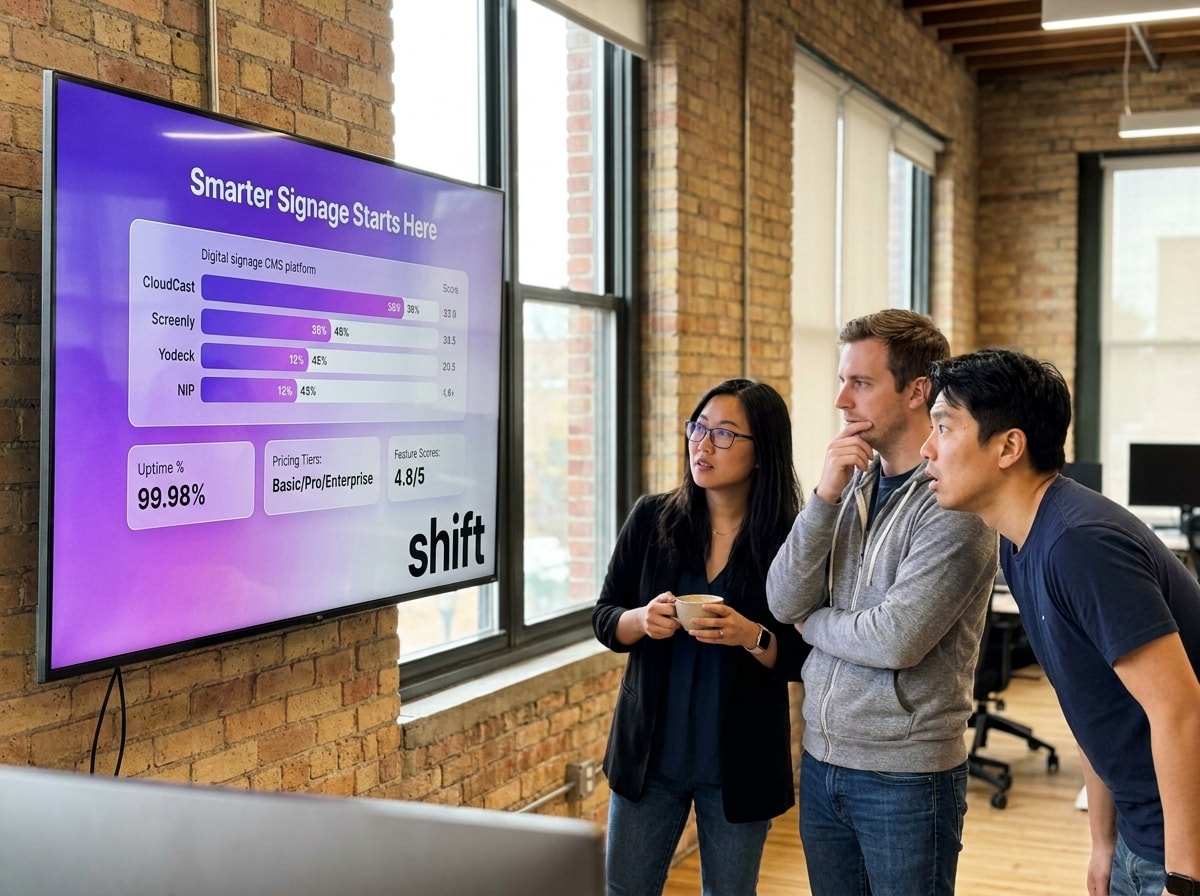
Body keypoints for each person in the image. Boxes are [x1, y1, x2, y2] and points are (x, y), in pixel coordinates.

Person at [921, 348, 1200, 896]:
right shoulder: (1021, 541)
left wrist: (1184, 878)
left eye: (944, 427)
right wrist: (1102, 843)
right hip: (1143, 834)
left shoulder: (1079, 543)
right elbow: (1089, 703)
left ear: (1008, 446)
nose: (928, 449)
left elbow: (1180, 707)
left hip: (1182, 844)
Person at [766, 309, 998, 896]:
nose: (842, 399)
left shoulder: (954, 505)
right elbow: (780, 598)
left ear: (918, 391)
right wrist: (822, 497)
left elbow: (894, 639)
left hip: (907, 776)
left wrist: (811, 622)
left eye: (861, 383)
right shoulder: (848, 484)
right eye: (842, 381)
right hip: (821, 761)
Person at [593, 378, 809, 896]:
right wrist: (642, 620)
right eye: (698, 428)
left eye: (725, 434)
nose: (703, 444)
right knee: (625, 890)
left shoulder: (790, 540)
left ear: (763, 453)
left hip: (738, 760)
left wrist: (750, 635)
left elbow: (803, 655)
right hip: (651, 755)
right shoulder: (651, 519)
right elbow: (605, 617)